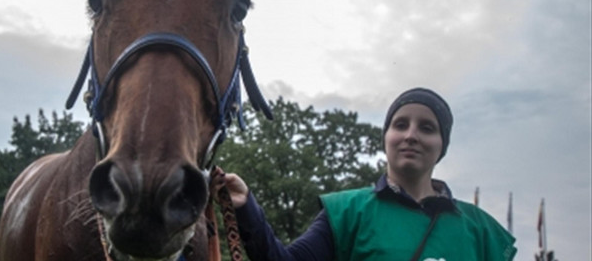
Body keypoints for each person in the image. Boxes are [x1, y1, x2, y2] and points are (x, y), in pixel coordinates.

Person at [219, 87, 517, 261]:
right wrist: (246, 207)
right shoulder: (347, 213)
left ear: (442, 145)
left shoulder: (481, 230)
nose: (411, 135)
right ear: (386, 137)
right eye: (400, 125)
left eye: (427, 128)